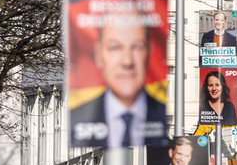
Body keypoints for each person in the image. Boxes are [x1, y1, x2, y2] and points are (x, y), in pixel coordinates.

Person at [70, 10, 166, 148]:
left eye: (137, 47)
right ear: (99, 54)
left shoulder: (161, 118)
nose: (127, 61)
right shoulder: (78, 118)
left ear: (149, 52)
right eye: (115, 47)